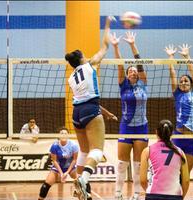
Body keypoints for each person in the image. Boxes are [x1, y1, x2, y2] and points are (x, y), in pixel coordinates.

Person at [65, 15, 115, 200]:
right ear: (82, 59)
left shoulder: (71, 78)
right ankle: (84, 179)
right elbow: (105, 47)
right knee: (97, 150)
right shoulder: (89, 65)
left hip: (76, 113)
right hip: (91, 109)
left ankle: (79, 185)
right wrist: (107, 25)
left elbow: (85, 98)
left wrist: (106, 113)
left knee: (84, 151)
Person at [110, 31, 148, 200]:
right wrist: (116, 46)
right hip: (126, 126)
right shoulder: (123, 86)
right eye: (130, 71)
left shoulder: (143, 83)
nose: (133, 72)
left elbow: (140, 64)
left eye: (134, 71)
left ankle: (137, 194)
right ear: (126, 75)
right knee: (121, 163)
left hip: (141, 127)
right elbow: (119, 65)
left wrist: (132, 45)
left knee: (139, 164)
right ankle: (118, 193)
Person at [164, 44, 193, 173]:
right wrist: (170, 57)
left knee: (186, 173)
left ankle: (181, 194)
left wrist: (187, 56)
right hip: (179, 136)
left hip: (192, 139)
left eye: (186, 81)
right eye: (182, 81)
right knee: (173, 171)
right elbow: (172, 74)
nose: (184, 83)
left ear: (191, 84)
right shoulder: (177, 93)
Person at [140, 119, 189, 200]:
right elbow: (186, 181)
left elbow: (142, 180)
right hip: (175, 195)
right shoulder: (180, 152)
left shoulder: (147, 151)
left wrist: (149, 192)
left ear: (156, 132)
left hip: (153, 195)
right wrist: (181, 197)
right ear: (172, 133)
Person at [38, 127, 78, 200]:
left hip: (70, 167)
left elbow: (74, 160)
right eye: (62, 133)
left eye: (65, 133)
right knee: (45, 185)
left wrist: (67, 173)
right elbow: (54, 161)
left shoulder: (73, 145)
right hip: (58, 167)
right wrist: (61, 173)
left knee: (80, 182)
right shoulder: (55, 146)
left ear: (68, 135)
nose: (63, 135)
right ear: (59, 135)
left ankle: (82, 194)